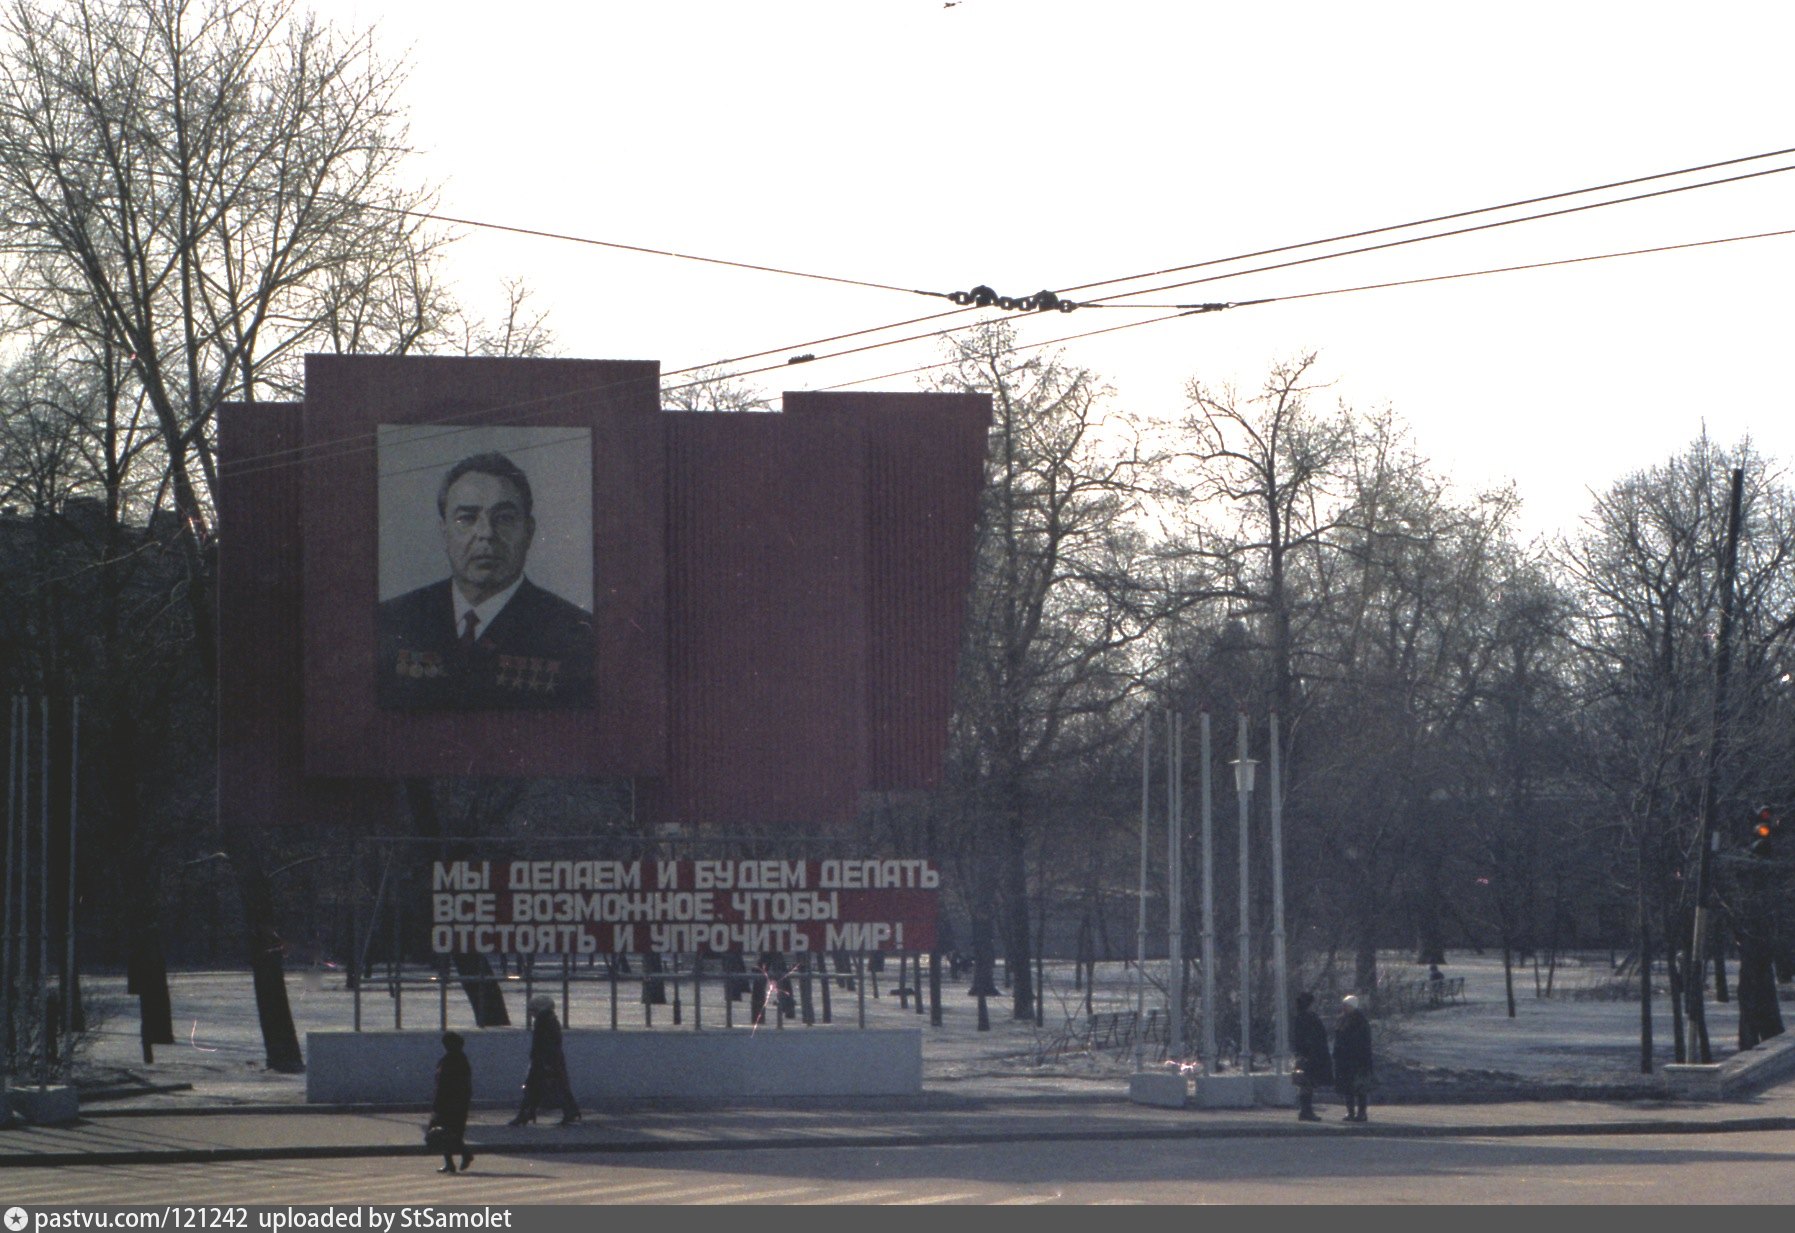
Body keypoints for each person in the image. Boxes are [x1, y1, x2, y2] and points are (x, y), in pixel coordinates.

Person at [378, 451, 594, 710]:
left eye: (504, 518)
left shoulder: (578, 634)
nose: (486, 534)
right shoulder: (392, 620)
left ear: (529, 531)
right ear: (444, 532)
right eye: (467, 518)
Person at [509, 993, 580, 1126]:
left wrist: (539, 1059)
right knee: (557, 1086)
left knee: (534, 1087)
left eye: (533, 1010)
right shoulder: (552, 1020)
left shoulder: (542, 1021)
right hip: (551, 1059)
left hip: (543, 1060)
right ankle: (570, 1110)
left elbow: (541, 1043)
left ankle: (526, 1114)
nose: (531, 1013)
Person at [428, 1031, 474, 1173]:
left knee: (449, 1134)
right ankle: (452, 1162)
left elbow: (454, 1084)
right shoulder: (450, 1059)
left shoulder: (455, 1060)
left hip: (452, 1104)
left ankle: (463, 1156)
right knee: (445, 1134)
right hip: (448, 1103)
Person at [1290, 992, 1332, 1123]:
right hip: (1311, 1055)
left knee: (1305, 1084)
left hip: (1306, 1055)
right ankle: (1306, 1111)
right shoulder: (1308, 1018)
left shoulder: (1299, 1017)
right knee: (1308, 1083)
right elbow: (1314, 1037)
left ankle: (1305, 1110)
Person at [1333, 993, 1375, 1123]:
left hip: (1358, 1060)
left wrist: (1363, 1059)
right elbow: (1338, 1039)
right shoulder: (1342, 1020)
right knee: (1347, 1088)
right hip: (1344, 1060)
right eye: (1344, 1005)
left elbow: (1364, 1042)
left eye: (1347, 1005)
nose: (1344, 1007)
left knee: (1360, 1088)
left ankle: (1361, 1113)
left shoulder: (1360, 1021)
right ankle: (1350, 1112)